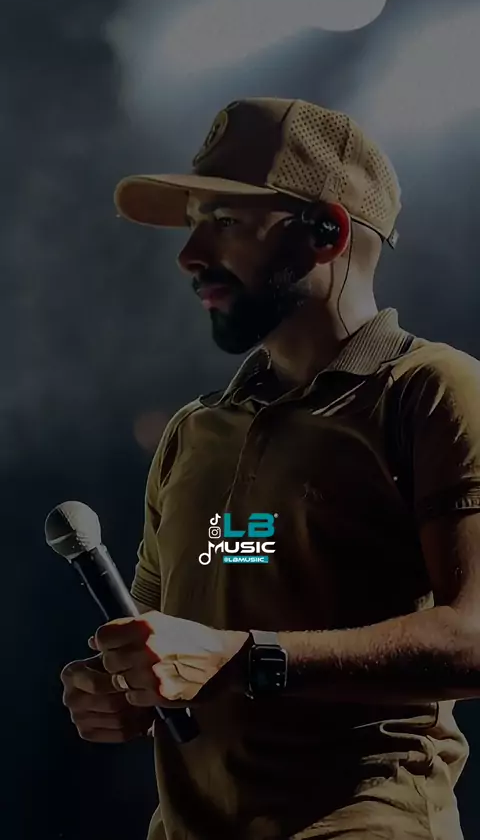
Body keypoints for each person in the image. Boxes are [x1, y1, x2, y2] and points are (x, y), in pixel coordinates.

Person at [61, 98, 480, 840]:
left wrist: (245, 658)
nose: (190, 255)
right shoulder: (194, 432)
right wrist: (120, 686)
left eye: (224, 221)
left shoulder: (432, 390)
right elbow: (161, 644)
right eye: (195, 222)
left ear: (327, 233)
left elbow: (474, 637)